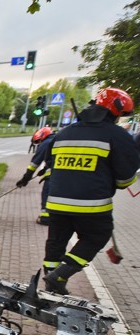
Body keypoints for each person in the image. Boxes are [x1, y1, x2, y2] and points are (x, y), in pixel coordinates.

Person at [42, 87, 140, 294]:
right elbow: (124, 180)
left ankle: (51, 284)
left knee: (56, 242)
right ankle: (59, 275)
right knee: (96, 236)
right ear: (115, 111)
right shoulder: (117, 135)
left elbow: (51, 164)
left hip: (56, 202)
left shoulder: (65, 133)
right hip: (91, 205)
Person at [16, 126, 56, 225]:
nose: (39, 144)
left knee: (47, 194)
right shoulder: (56, 140)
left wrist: (25, 178)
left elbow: (34, 164)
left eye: (38, 142)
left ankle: (45, 218)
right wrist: (44, 169)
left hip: (53, 176)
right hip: (64, 174)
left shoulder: (46, 143)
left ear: (42, 137)